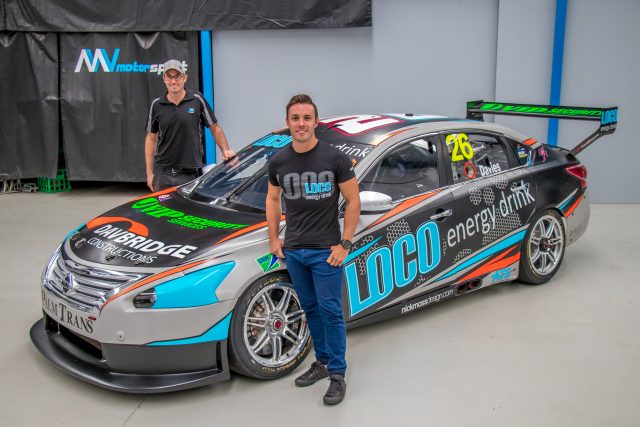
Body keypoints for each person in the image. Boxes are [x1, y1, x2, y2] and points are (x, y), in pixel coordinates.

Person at [266, 94, 361, 405]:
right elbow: (272, 200)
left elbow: (354, 201)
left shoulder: (335, 159)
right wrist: (274, 238)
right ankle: (321, 362)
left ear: (316, 122)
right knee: (310, 309)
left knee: (331, 312)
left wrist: (345, 243)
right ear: (287, 123)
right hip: (294, 250)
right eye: (295, 118)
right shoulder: (278, 161)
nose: (301, 123)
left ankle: (337, 374)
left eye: (306, 118)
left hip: (326, 251)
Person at [144, 59, 235, 191]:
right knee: (162, 205)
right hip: (163, 173)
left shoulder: (197, 99)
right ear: (164, 79)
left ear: (184, 78)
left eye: (177, 76)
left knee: (188, 205)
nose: (173, 81)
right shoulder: (157, 104)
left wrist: (226, 151)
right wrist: (149, 173)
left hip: (190, 173)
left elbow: (214, 128)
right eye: (169, 77)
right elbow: (151, 138)